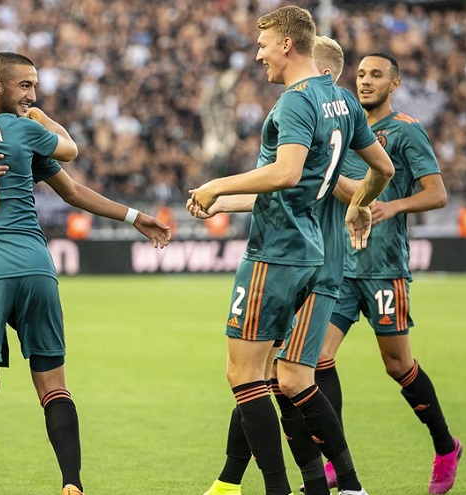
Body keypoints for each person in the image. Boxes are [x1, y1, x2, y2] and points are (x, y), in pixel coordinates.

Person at [0, 37, 167, 495]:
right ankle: (70, 483)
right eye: (12, 81)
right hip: (30, 267)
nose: (27, 93)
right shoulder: (19, 133)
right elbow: (71, 158)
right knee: (48, 384)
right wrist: (37, 121)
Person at [189, 7, 394, 495]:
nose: (258, 55)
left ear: (286, 44)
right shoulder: (342, 101)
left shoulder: (295, 102)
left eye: (263, 45)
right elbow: (381, 169)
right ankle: (339, 486)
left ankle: (273, 488)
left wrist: (217, 185)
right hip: (313, 253)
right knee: (290, 377)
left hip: (276, 250)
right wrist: (359, 204)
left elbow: (285, 174)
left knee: (246, 376)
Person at [314, 52, 461, 495]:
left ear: (394, 84)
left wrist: (392, 205)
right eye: (360, 74)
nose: (365, 81)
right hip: (340, 267)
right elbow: (339, 187)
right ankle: (337, 461)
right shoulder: (346, 129)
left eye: (376, 75)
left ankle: (445, 447)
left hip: (383, 268)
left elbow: (437, 194)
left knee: (398, 365)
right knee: (317, 359)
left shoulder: (406, 130)